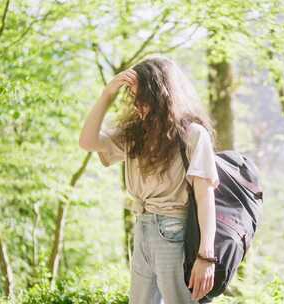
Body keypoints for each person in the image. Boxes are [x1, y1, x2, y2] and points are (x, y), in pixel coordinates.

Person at [78, 55, 220, 303]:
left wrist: (206, 256)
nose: (136, 105)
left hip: (173, 228)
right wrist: (107, 94)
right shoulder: (136, 135)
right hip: (142, 225)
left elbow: (205, 196)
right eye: (132, 98)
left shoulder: (192, 135)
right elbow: (87, 141)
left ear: (159, 94)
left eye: (141, 97)